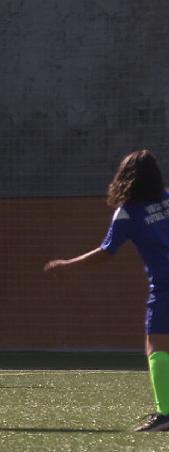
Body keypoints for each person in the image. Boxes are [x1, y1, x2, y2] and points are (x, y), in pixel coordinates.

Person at [45, 149, 169, 431]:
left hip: (164, 288)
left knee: (157, 346)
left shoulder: (127, 213)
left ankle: (166, 413)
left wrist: (67, 265)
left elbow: (105, 252)